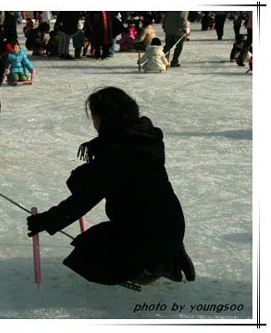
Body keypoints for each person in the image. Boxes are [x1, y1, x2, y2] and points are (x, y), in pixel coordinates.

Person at [26, 87, 195, 286]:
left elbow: (83, 200)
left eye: (95, 117)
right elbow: (115, 176)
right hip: (170, 224)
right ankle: (167, 252)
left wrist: (45, 221)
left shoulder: (118, 153)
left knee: (87, 255)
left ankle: (156, 264)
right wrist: (86, 175)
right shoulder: (142, 139)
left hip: (149, 234)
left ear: (106, 119)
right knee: (94, 239)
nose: (93, 123)